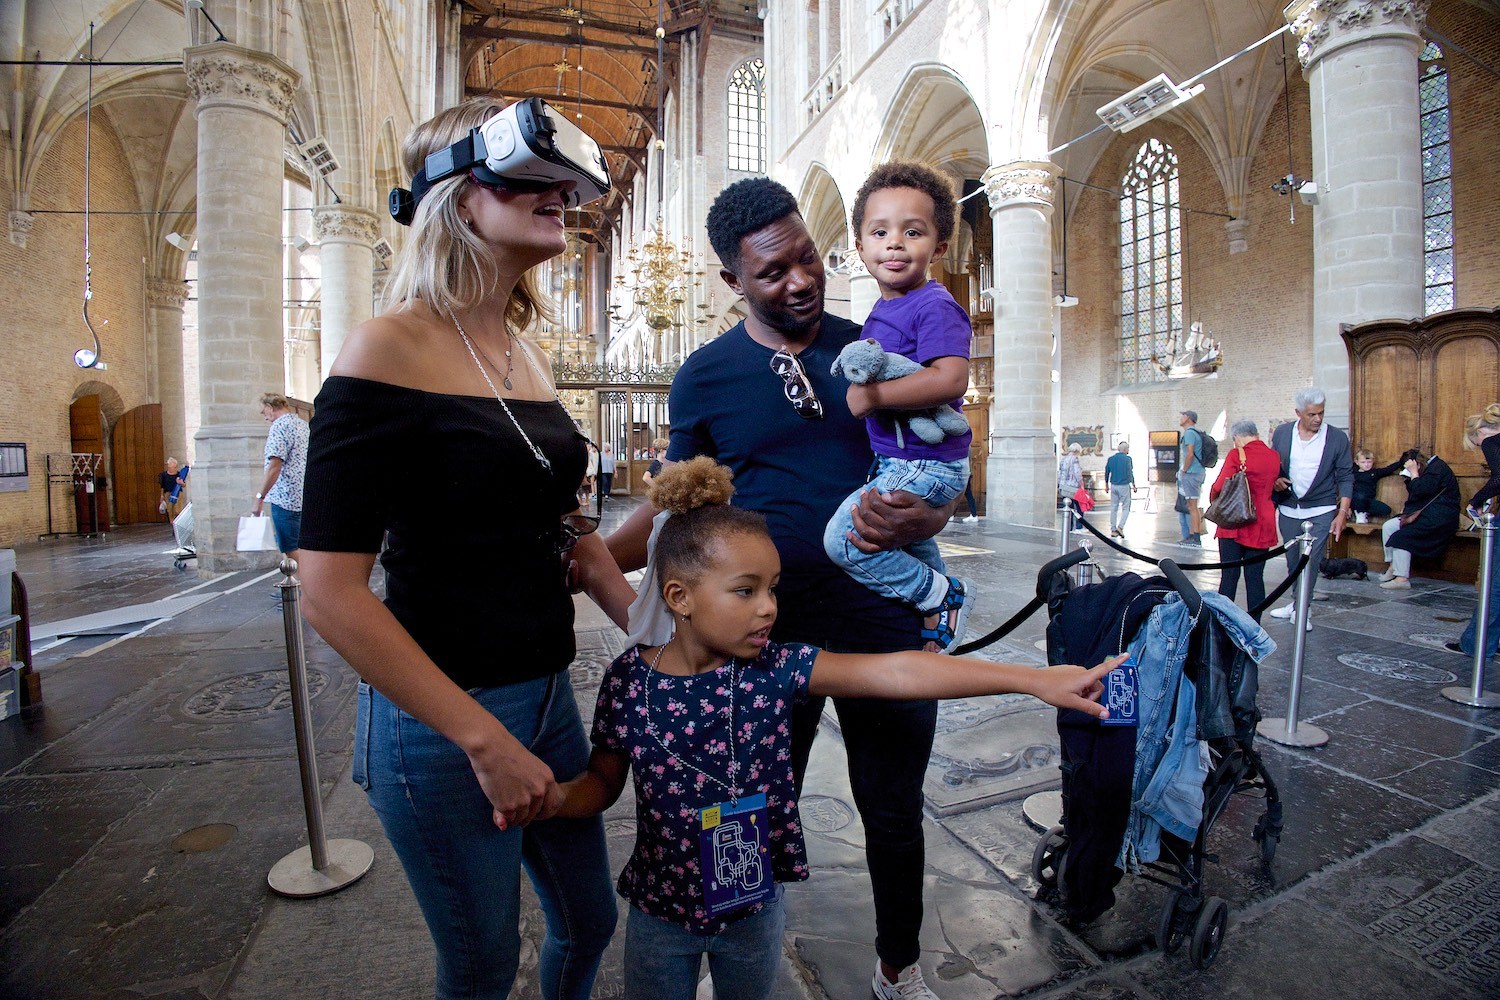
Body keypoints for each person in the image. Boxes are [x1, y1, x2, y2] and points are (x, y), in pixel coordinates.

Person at [296, 98, 636, 1000]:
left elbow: (562, 521)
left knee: (590, 922)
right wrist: (481, 739)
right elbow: (329, 590)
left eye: (565, 181)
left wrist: (645, 623)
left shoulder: (519, 353)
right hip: (443, 725)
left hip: (545, 693)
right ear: (456, 192)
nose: (560, 193)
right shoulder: (386, 347)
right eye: (532, 175)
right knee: (483, 963)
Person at [559, 458, 1120, 1000]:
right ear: (679, 596)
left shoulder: (776, 670)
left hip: (754, 904)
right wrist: (551, 801)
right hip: (661, 912)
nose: (769, 609)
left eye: (773, 588)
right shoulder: (630, 682)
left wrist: (1031, 680)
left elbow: (897, 669)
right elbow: (601, 785)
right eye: (746, 590)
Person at [607, 176, 958, 1000]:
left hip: (882, 620)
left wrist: (931, 525)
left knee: (893, 809)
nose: (800, 280)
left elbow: (937, 460)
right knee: (748, 808)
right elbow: (677, 505)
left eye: (808, 258)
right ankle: (734, 959)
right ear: (733, 283)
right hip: (759, 637)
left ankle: (899, 968)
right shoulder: (706, 377)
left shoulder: (870, 342)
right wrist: (598, 557)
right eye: (773, 272)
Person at [822, 162, 974, 651]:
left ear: (939, 247)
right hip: (901, 459)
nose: (894, 243)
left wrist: (871, 397)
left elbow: (951, 378)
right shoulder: (882, 310)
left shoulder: (933, 305)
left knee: (844, 540)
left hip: (925, 461)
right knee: (910, 541)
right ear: (860, 248)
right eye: (880, 231)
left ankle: (939, 595)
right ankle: (936, 623)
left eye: (913, 232)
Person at [1267, 388, 1354, 629]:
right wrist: (1275, 479)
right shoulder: (1283, 433)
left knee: (1311, 560)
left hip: (1321, 507)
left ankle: (1304, 608)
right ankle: (1296, 602)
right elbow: (1274, 465)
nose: (1317, 419)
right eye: (1311, 414)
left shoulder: (1336, 438)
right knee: (1293, 560)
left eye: (1321, 413)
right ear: (1298, 413)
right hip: (1289, 507)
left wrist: (1342, 512)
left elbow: (1346, 475)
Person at [1207, 420, 1280, 622]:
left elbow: (1220, 485)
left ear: (1237, 437)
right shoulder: (1274, 456)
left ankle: (1222, 621)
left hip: (1235, 520)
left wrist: (1213, 499)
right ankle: (1254, 624)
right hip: (1262, 520)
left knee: (1229, 577)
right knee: (1255, 577)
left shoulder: (1236, 454)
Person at [1451, 403, 1500, 656]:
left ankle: (1478, 645)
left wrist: (1474, 501)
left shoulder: (1493, 442)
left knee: (1494, 584)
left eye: (1477, 445)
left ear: (1481, 432)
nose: (1482, 450)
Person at [1376, 448, 1460, 590]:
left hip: (1440, 518)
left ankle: (1402, 579)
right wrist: (1411, 477)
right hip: (1425, 514)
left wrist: (1414, 474)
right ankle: (1393, 566)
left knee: (1401, 537)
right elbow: (1417, 494)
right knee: (1389, 526)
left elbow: (1422, 490)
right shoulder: (1429, 469)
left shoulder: (1437, 468)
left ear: (1417, 464)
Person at [253, 393, 310, 557]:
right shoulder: (303, 425)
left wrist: (259, 498)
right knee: (304, 547)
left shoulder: (279, 427)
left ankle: (304, 582)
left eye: (264, 412)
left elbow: (274, 466)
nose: (265, 418)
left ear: (270, 408)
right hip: (304, 495)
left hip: (285, 498)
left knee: (291, 548)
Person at [1176, 410, 1205, 546]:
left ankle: (1195, 537)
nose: (1180, 418)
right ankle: (1193, 535)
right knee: (1192, 506)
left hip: (1192, 473)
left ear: (1188, 418)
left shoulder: (1189, 433)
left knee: (1192, 507)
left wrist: (1184, 470)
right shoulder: (1195, 433)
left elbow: (1190, 453)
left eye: (1183, 416)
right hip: (1197, 472)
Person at [1351, 448, 1400, 520]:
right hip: (1356, 500)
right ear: (1357, 462)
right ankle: (1360, 514)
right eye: (1363, 462)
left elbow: (1388, 469)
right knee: (1359, 496)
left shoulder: (1374, 472)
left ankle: (1364, 511)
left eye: (1369, 462)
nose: (1366, 465)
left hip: (1368, 501)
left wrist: (1401, 461)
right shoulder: (1353, 472)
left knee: (1386, 510)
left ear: (1373, 461)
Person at [1104, 441, 1135, 537]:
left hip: (1113, 485)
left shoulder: (1111, 459)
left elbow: (1107, 472)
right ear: (1125, 449)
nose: (1128, 450)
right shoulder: (1127, 459)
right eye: (1128, 449)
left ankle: (1113, 529)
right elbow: (1129, 472)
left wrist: (1106, 484)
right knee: (1126, 507)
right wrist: (1133, 484)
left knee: (1113, 507)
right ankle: (1120, 527)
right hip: (1124, 485)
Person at [598, 442, 616, 512]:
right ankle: (605, 494)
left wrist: (615, 471)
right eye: (605, 447)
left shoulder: (612, 454)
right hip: (603, 471)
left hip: (610, 471)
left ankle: (607, 493)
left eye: (607, 447)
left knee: (609, 483)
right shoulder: (601, 454)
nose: (605, 448)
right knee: (605, 482)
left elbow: (613, 463)